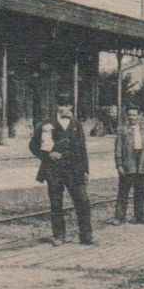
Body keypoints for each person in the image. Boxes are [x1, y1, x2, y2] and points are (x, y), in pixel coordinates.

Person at [30, 94, 94, 246]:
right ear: (57, 106)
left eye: (68, 105)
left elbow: (82, 148)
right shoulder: (47, 124)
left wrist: (85, 170)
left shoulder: (76, 124)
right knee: (56, 203)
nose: (65, 108)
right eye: (62, 105)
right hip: (54, 170)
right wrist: (47, 155)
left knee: (83, 201)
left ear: (72, 106)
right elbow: (33, 145)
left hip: (74, 169)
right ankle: (59, 235)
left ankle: (86, 236)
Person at [112, 105, 144, 225]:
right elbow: (118, 149)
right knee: (123, 192)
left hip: (142, 164)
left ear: (139, 116)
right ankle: (119, 217)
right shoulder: (122, 130)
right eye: (129, 115)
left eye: (134, 115)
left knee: (140, 192)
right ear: (126, 116)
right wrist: (119, 165)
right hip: (128, 165)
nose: (132, 117)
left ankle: (139, 216)